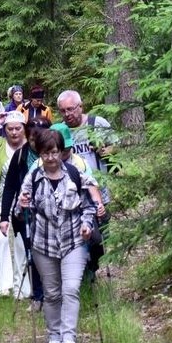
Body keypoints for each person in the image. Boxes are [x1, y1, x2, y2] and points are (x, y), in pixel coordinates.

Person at [16, 129, 97, 343]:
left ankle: (69, 338)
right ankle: (54, 336)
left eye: (54, 152)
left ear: (61, 152)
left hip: (74, 240)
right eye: (45, 153)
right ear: (40, 154)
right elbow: (20, 213)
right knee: (51, 293)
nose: (50, 158)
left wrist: (87, 224)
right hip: (43, 243)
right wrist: (22, 205)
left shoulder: (75, 174)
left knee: (70, 289)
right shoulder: (33, 177)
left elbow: (90, 205)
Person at [55, 90, 117, 274]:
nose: (67, 114)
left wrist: (105, 151)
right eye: (63, 111)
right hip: (72, 193)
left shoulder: (97, 123)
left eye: (70, 109)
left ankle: (96, 265)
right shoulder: (59, 130)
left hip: (98, 189)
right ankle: (85, 272)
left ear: (80, 106)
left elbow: (116, 145)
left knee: (99, 235)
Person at [0, 117, 51, 309]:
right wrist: (4, 216)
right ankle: (38, 296)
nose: (36, 142)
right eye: (32, 138)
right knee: (32, 253)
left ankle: (51, 293)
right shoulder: (20, 155)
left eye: (40, 138)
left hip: (50, 213)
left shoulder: (53, 155)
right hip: (25, 214)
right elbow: (10, 187)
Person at [0, 110, 30, 297]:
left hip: (23, 203)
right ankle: (4, 285)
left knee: (21, 243)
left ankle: (22, 286)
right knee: (2, 239)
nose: (14, 132)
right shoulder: (0, 144)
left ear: (24, 128)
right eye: (10, 129)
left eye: (18, 128)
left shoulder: (30, 147)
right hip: (1, 201)